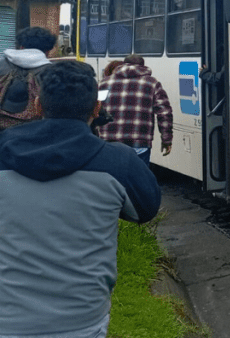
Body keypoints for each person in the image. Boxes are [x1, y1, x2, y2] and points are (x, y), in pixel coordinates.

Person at [0, 60, 161, 338]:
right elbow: (145, 210)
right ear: (96, 109)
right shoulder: (118, 163)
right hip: (82, 321)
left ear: (38, 106)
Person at [97, 54, 173, 164]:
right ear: (142, 66)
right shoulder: (152, 83)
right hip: (139, 143)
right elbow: (164, 112)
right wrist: (166, 139)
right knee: (138, 179)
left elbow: (96, 109)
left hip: (109, 141)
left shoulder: (104, 83)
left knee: (112, 177)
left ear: (124, 64)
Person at [0, 26, 55, 118]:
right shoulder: (53, 73)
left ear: (21, 47)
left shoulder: (1, 65)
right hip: (37, 128)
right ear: (48, 51)